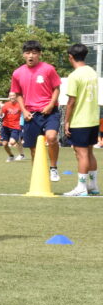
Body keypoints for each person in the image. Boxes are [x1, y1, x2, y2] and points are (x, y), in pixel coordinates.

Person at [10, 39, 62, 181]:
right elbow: (18, 93)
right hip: (31, 115)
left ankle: (53, 168)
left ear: (39, 54)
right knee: (33, 149)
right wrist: (24, 111)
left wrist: (51, 104)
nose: (30, 56)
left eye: (34, 53)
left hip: (50, 112)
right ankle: (38, 177)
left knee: (51, 137)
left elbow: (57, 88)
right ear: (23, 55)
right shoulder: (17, 73)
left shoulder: (48, 69)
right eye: (27, 53)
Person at [61, 43, 100, 196]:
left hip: (80, 120)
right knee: (90, 153)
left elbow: (71, 102)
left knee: (81, 154)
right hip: (93, 119)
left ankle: (81, 187)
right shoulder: (92, 72)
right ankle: (93, 186)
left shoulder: (74, 76)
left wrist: (66, 122)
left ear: (70, 57)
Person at [0, 93, 25, 161]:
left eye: (13, 96)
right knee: (4, 144)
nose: (12, 97)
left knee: (12, 142)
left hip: (15, 127)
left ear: (16, 97)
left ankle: (21, 154)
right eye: (11, 96)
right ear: (9, 97)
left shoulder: (20, 105)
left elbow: (25, 111)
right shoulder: (6, 105)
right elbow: (1, 115)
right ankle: (11, 156)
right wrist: (1, 107)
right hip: (5, 127)